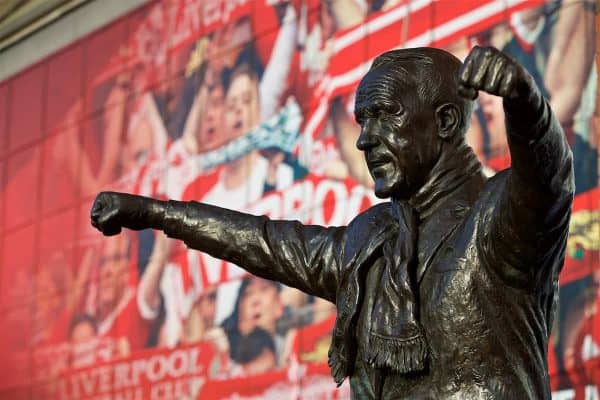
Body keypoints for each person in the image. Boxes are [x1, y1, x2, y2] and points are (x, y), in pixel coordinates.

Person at [90, 46, 574, 399]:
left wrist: (527, 105)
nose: (365, 140)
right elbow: (265, 242)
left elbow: (549, 178)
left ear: (445, 122)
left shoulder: (501, 218)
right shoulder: (370, 242)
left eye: (385, 115)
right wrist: (154, 213)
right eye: (362, 120)